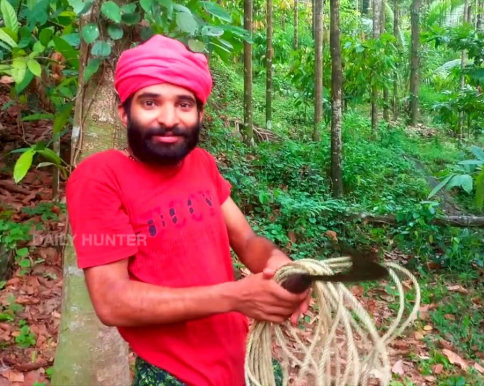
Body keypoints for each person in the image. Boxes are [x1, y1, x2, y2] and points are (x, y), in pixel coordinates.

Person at [65, 34, 311, 386]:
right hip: (175, 374)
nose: (169, 118)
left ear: (199, 114)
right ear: (124, 112)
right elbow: (111, 301)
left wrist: (279, 264)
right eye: (150, 103)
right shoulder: (100, 177)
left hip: (241, 357)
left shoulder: (201, 163)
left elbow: (245, 239)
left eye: (183, 104)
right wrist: (237, 296)